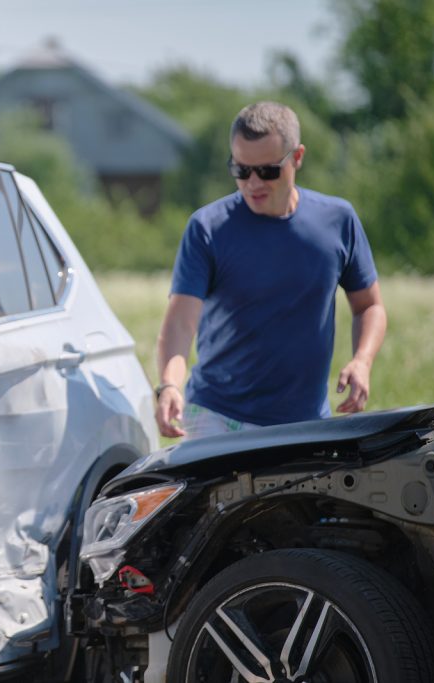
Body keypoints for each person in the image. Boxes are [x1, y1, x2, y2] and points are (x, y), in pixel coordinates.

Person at [155, 101, 387, 440]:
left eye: (266, 171)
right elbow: (180, 322)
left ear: (297, 157)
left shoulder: (338, 221)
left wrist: (362, 361)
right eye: (240, 170)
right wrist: (169, 385)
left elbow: (370, 306)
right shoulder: (207, 228)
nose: (252, 183)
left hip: (305, 421)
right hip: (216, 415)